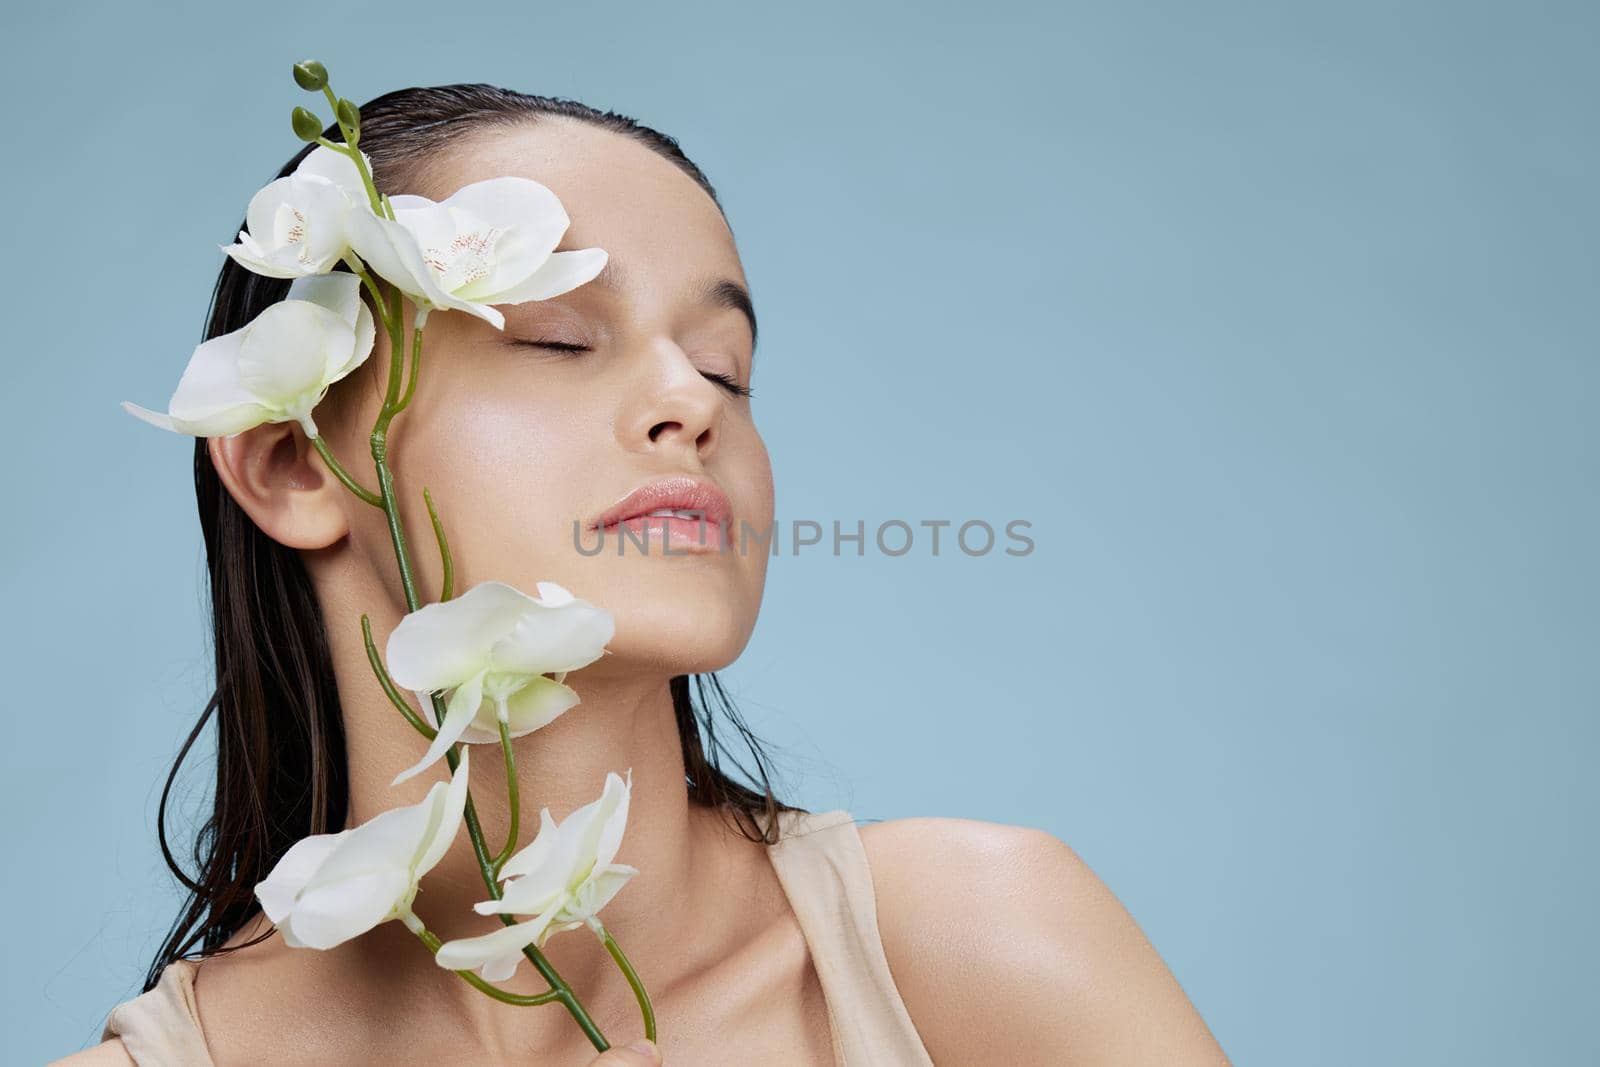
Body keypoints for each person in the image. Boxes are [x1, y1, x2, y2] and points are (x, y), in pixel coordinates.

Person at [55, 84, 1230, 1065]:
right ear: (292, 464)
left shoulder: (974, 939)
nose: (689, 402)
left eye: (727, 369)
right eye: (562, 337)